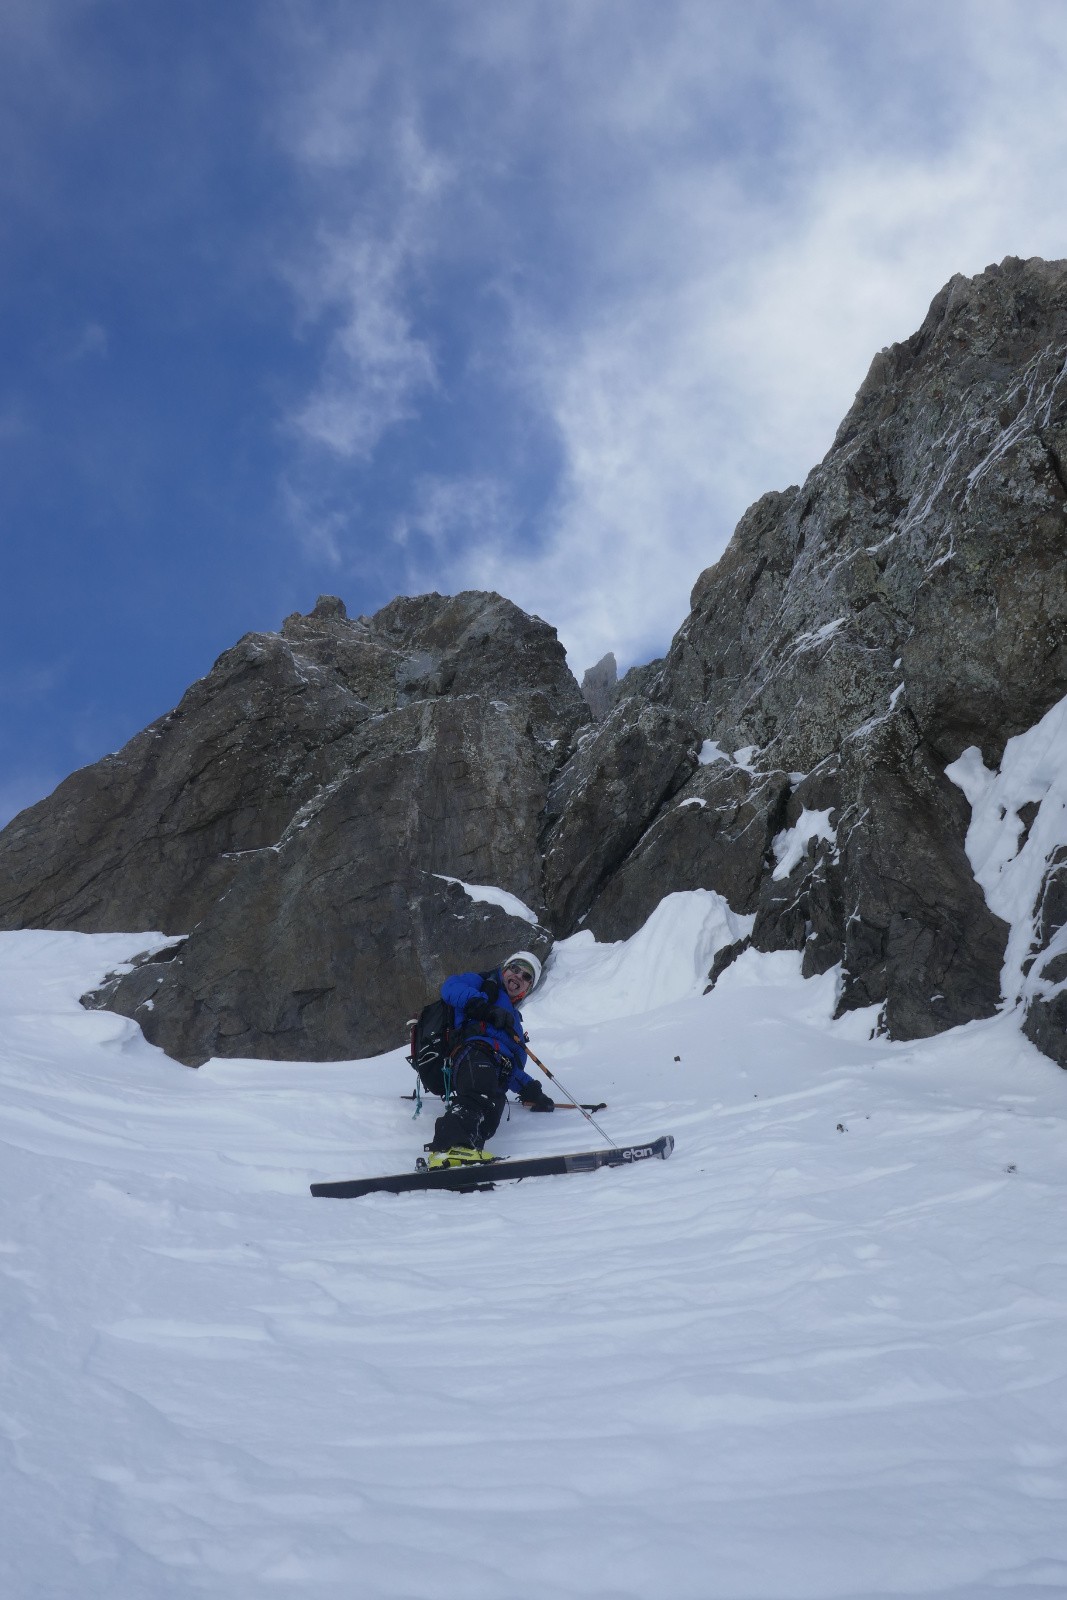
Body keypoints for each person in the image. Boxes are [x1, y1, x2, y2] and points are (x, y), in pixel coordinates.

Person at [426, 950, 553, 1167]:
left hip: (497, 1067)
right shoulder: (483, 983)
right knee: (480, 1093)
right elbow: (450, 987)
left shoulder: (514, 1020)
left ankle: (467, 1154)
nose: (518, 977)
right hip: (472, 1052)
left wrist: (530, 1089)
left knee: (493, 1106)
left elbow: (509, 1064)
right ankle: (448, 1148)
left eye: (526, 977)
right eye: (515, 968)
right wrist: (481, 1006)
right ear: (505, 969)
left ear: (527, 988)